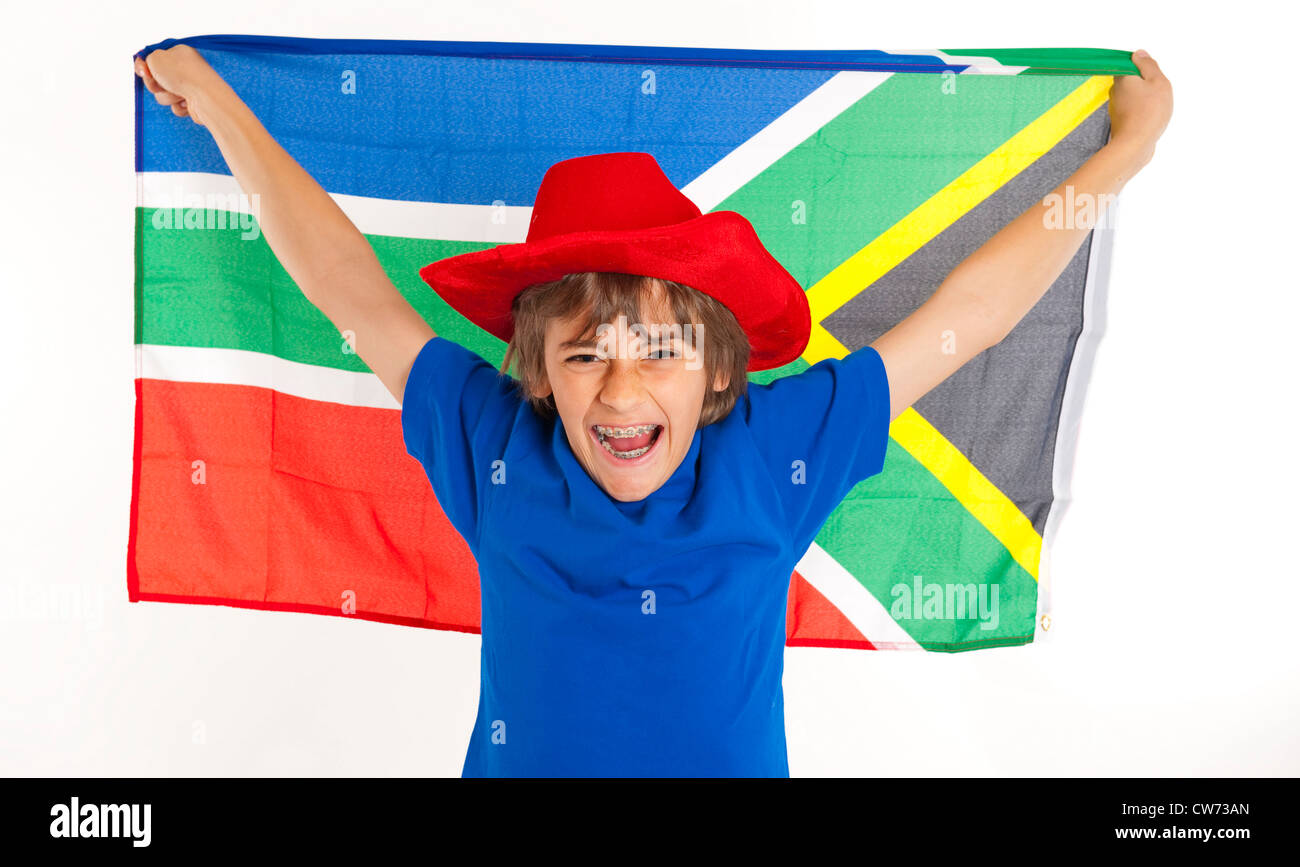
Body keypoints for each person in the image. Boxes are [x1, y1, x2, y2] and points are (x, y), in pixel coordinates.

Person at [135, 45, 1173, 776]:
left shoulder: (776, 450)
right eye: (583, 353)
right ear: (536, 369)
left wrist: (1120, 157)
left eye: (659, 352)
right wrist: (223, 108)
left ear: (718, 377)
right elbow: (348, 289)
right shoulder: (492, 442)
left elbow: (971, 316)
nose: (621, 390)